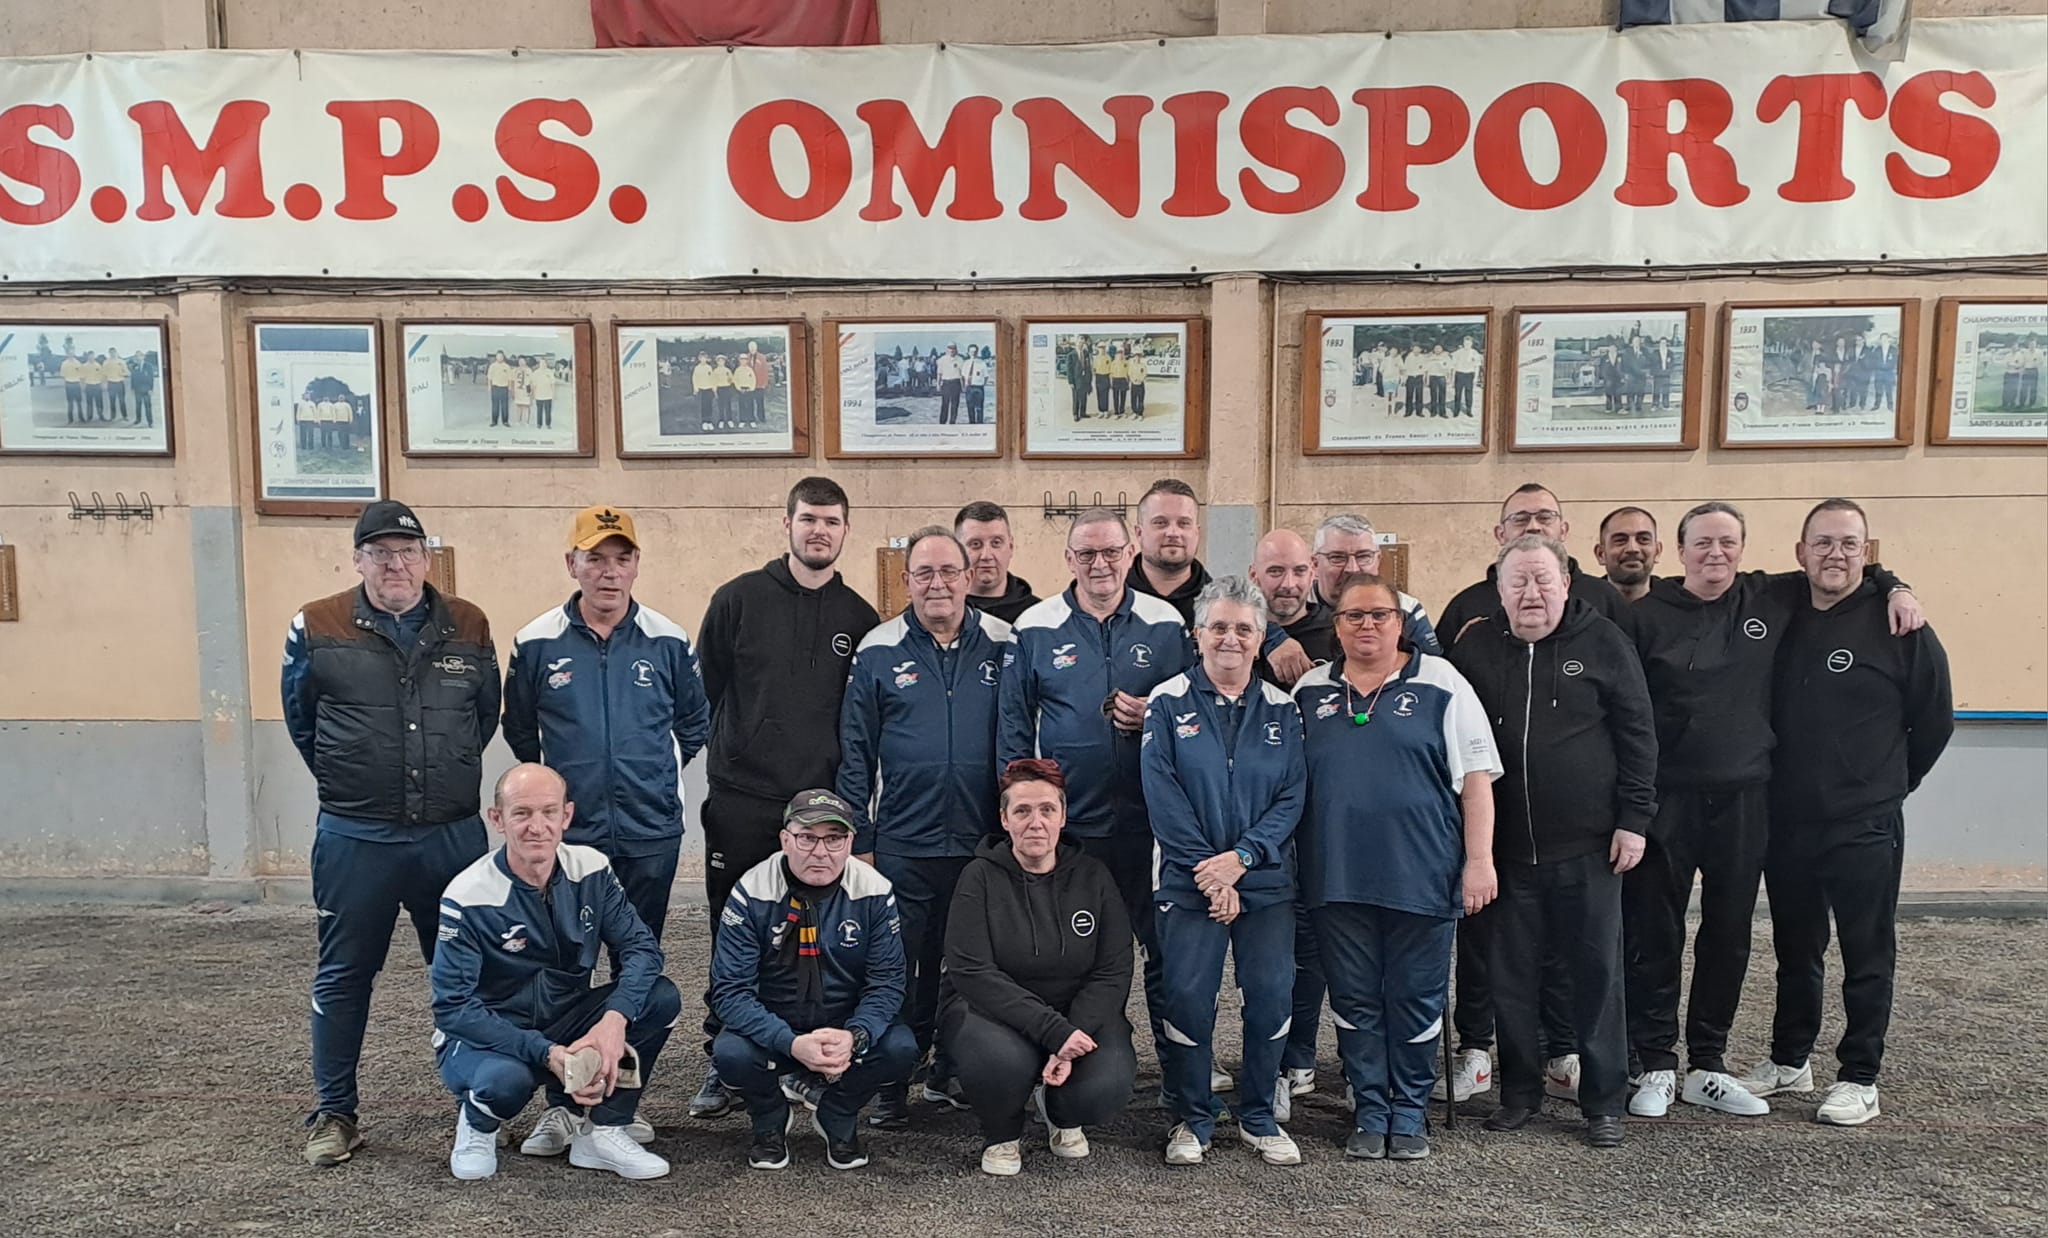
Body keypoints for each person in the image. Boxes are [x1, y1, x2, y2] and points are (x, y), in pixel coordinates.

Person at [1624, 501, 1921, 1120]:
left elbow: (1842, 566)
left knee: (1728, 934)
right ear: (1679, 551)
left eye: (1727, 542)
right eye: (1703, 542)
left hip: (1746, 798)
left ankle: (1708, 1064)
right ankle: (1654, 1062)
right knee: (1656, 933)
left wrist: (1896, 585)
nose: (1716, 553)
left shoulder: (1770, 596)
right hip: (1668, 800)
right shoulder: (1644, 616)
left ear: (1743, 549)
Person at [282, 500, 500, 1168]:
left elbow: (483, 719)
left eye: (406, 551)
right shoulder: (316, 624)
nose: (394, 564)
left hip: (450, 838)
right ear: (358, 560)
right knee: (345, 975)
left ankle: (479, 1106)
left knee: (467, 976)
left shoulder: (469, 625)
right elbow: (303, 722)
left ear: (426, 559)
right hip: (357, 837)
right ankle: (335, 1112)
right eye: (379, 553)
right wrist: (357, 781)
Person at [1739, 500, 1953, 1127]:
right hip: (1787, 818)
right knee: (1795, 947)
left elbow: (1934, 720)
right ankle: (1790, 1059)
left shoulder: (1900, 627)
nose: (1836, 555)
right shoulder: (1779, 606)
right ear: (1801, 552)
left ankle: (1860, 1077)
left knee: (1866, 951)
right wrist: (1894, 579)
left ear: (1867, 551)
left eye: (1850, 544)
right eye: (1823, 543)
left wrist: (1888, 786)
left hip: (1864, 821)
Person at [1448, 536, 1656, 1150]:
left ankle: (1604, 1102)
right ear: (1500, 590)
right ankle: (1518, 1094)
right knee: (1510, 979)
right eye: (1518, 582)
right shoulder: (1476, 648)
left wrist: (1635, 819)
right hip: (1506, 852)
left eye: (1543, 580)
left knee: (1597, 978)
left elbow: (1639, 734)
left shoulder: (1604, 643)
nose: (1531, 593)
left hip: (1590, 848)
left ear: (1566, 583)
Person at [1293, 573, 1501, 1160]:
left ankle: (1409, 1111)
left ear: (1401, 622)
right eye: (1353, 616)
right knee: (1355, 999)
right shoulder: (1310, 691)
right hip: (1336, 877)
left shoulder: (1443, 682)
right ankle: (1370, 1107)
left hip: (1422, 874)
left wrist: (1480, 862)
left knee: (1415, 998)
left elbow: (1477, 782)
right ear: (1336, 626)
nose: (1367, 625)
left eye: (1379, 615)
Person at [692, 477, 879, 1118]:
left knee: (813, 936)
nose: (818, 531)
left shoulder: (859, 619)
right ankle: (726, 1056)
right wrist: (734, 756)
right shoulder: (737, 600)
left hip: (820, 808)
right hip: (742, 801)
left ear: (845, 530)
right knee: (733, 928)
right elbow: (705, 691)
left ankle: (807, 1055)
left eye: (831, 521)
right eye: (808, 519)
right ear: (787, 524)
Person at [1000, 508, 1190, 1061]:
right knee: (1069, 952)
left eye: (1110, 551)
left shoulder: (1165, 624)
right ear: (1069, 559)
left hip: (1151, 824)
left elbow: (1193, 711)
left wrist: (1155, 712)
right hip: (1072, 828)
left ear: (1131, 553)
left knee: (1165, 949)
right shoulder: (1035, 627)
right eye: (1087, 554)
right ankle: (1068, 1061)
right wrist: (1025, 815)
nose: (1099, 564)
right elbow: (1013, 727)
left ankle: (1179, 1067)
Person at [430, 764, 681, 1181]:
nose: (537, 827)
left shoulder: (591, 869)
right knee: (504, 1083)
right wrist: (547, 1053)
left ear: (567, 815)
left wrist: (613, 1021)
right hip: (492, 1034)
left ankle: (602, 1131)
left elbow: (642, 949)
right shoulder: (468, 894)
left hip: (564, 1019)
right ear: (497, 820)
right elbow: (453, 1009)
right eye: (521, 813)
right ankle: (477, 1123)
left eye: (549, 812)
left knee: (659, 997)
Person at [837, 527, 1011, 1124]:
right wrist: (860, 840)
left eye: (948, 571)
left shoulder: (1005, 644)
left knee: (967, 967)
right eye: (924, 573)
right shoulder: (877, 649)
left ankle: (950, 1071)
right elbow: (855, 753)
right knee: (896, 968)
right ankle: (891, 1082)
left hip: (980, 845)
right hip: (902, 845)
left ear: (968, 577)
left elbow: (1020, 737)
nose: (938, 584)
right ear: (907, 580)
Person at [1144, 576, 1306, 1167]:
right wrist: (1210, 874)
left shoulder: (1284, 709)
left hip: (1264, 880)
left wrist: (1242, 860)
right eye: (1219, 627)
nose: (1230, 638)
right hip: (1188, 882)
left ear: (1261, 639)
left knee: (1271, 995)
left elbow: (1292, 796)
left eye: (1243, 628)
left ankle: (1259, 1115)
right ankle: (1193, 1117)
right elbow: (1162, 794)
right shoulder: (1166, 702)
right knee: (1188, 997)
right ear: (1198, 634)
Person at [501, 505, 709, 961]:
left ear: (636, 566)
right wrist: (555, 789)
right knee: (566, 955)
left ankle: (632, 1012)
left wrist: (655, 771)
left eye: (621, 559)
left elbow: (695, 722)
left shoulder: (669, 639)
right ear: (571, 564)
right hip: (569, 830)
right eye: (594, 558)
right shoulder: (536, 642)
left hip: (650, 828)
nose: (609, 572)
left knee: (639, 952)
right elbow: (518, 726)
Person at [940, 758, 1136, 1176]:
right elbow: (971, 971)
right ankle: (1002, 1132)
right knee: (998, 1063)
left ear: (1063, 816)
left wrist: (1071, 1033)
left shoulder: (1094, 876)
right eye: (1022, 811)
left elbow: (1114, 970)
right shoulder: (978, 877)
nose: (1036, 823)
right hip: (995, 1014)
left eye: (1047, 810)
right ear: (1004, 819)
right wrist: (1053, 1032)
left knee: (1106, 1087)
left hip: (1075, 1014)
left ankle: (1060, 1111)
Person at [709, 789, 916, 1172]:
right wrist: (790, 1042)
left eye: (834, 839)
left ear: (850, 842)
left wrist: (856, 1035)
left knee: (901, 1048)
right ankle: (769, 1117)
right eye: (807, 837)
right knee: (730, 1054)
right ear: (785, 839)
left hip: (842, 1024)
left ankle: (838, 1112)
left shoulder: (875, 890)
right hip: (776, 1024)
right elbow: (730, 993)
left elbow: (887, 982)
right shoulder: (750, 890)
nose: (821, 852)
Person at [1309, 513, 1443, 656]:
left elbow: (1432, 665)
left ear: (1378, 560)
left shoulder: (1406, 608)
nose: (1352, 569)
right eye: (1337, 557)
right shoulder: (1298, 607)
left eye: (1363, 556)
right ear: (1315, 564)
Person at [956, 500, 1039, 624]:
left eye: (996, 543)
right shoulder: (942, 616)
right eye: (976, 544)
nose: (986, 556)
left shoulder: (1039, 618)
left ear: (1011, 547)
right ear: (957, 550)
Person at [1594, 506, 1662, 603]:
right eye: (1620, 540)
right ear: (1601, 554)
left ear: (1657, 551)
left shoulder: (1676, 605)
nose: (1632, 549)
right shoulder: (1579, 606)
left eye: (1643, 539)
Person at [1451, 335, 1481, 417]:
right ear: (1463, 343)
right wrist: (1453, 378)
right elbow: (1453, 365)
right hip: (1459, 374)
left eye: (1469, 343)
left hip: (1469, 375)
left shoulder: (1474, 353)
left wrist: (1475, 378)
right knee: (1458, 393)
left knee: (1469, 394)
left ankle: (1469, 410)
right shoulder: (1458, 352)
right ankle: (1456, 410)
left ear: (1471, 343)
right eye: (1465, 343)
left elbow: (1477, 367)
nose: (1467, 345)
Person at [743, 343, 772, 426]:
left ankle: (761, 418)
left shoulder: (762, 357)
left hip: (759, 384)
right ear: (748, 348)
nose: (752, 348)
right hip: (749, 384)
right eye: (750, 347)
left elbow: (765, 371)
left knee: (760, 403)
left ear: (756, 347)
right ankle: (751, 419)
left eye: (753, 347)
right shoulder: (746, 357)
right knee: (749, 403)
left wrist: (764, 383)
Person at [937, 342, 965, 424]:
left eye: (953, 348)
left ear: (956, 349)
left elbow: (962, 374)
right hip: (946, 383)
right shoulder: (942, 360)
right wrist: (938, 384)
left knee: (955, 404)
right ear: (947, 349)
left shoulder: (960, 360)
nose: (951, 350)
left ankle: (952, 422)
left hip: (956, 383)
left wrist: (963, 385)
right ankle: (942, 422)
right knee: (945, 403)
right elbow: (939, 373)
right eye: (950, 348)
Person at [1066, 337, 1091, 421]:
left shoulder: (1086, 353)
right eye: (1080, 343)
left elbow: (1088, 366)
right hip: (1076, 380)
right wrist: (1071, 382)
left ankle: (1083, 413)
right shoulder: (1071, 355)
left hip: (1085, 379)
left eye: (1082, 343)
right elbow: (1069, 370)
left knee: (1084, 397)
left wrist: (1089, 379)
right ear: (1076, 343)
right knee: (1076, 397)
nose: (1081, 345)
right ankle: (1075, 414)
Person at [961, 347, 989, 425]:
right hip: (969, 387)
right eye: (971, 352)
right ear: (968, 352)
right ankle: (971, 423)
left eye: (975, 352)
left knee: (979, 408)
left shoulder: (982, 363)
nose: (973, 353)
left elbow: (986, 376)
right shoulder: (966, 363)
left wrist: (982, 384)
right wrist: (964, 386)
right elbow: (963, 376)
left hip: (978, 387)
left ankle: (980, 424)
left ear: (977, 352)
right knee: (970, 407)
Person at [692, 351, 716, 432]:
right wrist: (696, 388)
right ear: (699, 359)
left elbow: (712, 378)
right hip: (702, 389)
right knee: (703, 406)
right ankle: (704, 422)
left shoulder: (709, 367)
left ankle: (709, 422)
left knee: (709, 406)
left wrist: (714, 388)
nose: (703, 359)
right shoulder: (697, 368)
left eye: (705, 358)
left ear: (707, 359)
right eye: (701, 358)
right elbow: (694, 379)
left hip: (709, 388)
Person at [530, 355, 557, 429]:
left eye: (544, 363)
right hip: (538, 395)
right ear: (539, 364)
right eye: (541, 363)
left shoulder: (550, 372)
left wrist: (553, 394)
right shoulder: (536, 373)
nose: (543, 365)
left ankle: (548, 424)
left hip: (548, 395)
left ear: (546, 364)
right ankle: (539, 424)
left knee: (548, 411)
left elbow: (552, 384)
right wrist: (533, 394)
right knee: (539, 410)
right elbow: (533, 385)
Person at [102, 349, 129, 420]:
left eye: (114, 352)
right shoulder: (106, 362)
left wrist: (122, 374)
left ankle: (124, 416)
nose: (113, 354)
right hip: (111, 383)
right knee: (112, 401)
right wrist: (104, 384)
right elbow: (103, 374)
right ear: (109, 353)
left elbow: (127, 372)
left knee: (122, 401)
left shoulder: (121, 361)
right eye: (111, 353)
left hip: (120, 383)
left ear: (116, 352)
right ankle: (112, 416)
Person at [487, 351, 512, 426]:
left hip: (504, 388)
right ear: (496, 357)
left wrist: (510, 388)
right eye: (498, 356)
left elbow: (509, 378)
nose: (500, 358)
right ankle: (494, 421)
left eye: (501, 356)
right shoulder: (492, 366)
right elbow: (489, 378)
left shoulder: (507, 366)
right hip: (495, 387)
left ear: (503, 357)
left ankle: (505, 421)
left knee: (505, 405)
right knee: (495, 405)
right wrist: (489, 386)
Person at [712, 354, 736, 429]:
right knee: (721, 405)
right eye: (719, 361)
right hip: (719, 389)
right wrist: (715, 391)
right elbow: (714, 382)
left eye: (722, 361)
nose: (721, 362)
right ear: (717, 362)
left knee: (728, 404)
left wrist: (730, 380)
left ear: (724, 362)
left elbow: (732, 379)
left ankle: (729, 420)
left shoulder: (727, 370)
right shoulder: (715, 371)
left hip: (727, 388)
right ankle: (721, 420)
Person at [61, 350, 83, 423]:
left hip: (76, 383)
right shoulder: (64, 363)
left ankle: (81, 417)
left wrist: (81, 383)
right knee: (70, 403)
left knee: (79, 402)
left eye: (72, 353)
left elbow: (81, 374)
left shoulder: (78, 363)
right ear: (67, 354)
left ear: (74, 354)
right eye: (69, 353)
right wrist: (66, 383)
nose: (71, 355)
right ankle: (70, 419)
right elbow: (63, 375)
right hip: (69, 384)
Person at [511, 358, 533, 427]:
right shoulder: (515, 370)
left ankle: (526, 422)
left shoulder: (529, 370)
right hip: (518, 391)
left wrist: (530, 391)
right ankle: (518, 421)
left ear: (525, 362)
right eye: (520, 362)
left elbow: (530, 382)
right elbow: (512, 381)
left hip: (526, 390)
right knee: (518, 406)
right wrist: (512, 391)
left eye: (523, 362)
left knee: (526, 407)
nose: (521, 363)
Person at [1092, 341, 1112, 414]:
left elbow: (1110, 369)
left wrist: (1110, 379)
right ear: (1098, 349)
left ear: (1105, 348)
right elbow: (1094, 369)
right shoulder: (1096, 358)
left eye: (1103, 348)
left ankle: (1105, 410)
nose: (1102, 349)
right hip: (1099, 376)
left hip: (1106, 376)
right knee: (1099, 394)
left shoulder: (1108, 357)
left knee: (1105, 394)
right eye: (1100, 348)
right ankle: (1101, 411)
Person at [1128, 345, 1148, 419]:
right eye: (1136, 356)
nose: (1137, 358)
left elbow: (1145, 373)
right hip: (1134, 384)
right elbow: (1130, 373)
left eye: (1139, 356)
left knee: (1140, 399)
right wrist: (1133, 380)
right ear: (1134, 357)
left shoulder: (1143, 365)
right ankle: (1134, 412)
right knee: (1133, 398)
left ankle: (1140, 414)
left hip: (1140, 384)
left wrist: (1140, 379)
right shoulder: (1132, 365)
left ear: (1141, 357)